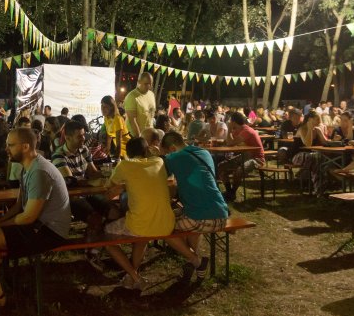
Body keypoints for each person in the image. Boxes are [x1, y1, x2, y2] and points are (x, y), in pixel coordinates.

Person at [0, 128, 70, 316]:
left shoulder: (39, 172)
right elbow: (18, 207)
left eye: (10, 145)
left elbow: (28, 216)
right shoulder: (27, 167)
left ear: (26, 146)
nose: (6, 148)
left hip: (50, 231)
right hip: (37, 224)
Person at [101, 137, 175, 290]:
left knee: (105, 238)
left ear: (127, 152)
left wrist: (123, 186)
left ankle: (135, 276)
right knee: (142, 238)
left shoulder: (125, 165)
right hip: (166, 222)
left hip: (142, 224)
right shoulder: (158, 162)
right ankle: (131, 275)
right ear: (146, 149)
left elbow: (108, 187)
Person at [161, 132, 229, 280]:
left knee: (160, 228)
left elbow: (157, 176)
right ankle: (195, 262)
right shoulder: (203, 152)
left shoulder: (174, 157)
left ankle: (195, 260)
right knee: (180, 213)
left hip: (203, 217)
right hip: (221, 212)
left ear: (172, 148)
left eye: (166, 152)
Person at [51, 120, 115, 233]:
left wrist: (112, 172)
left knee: (113, 212)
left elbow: (93, 173)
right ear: (68, 138)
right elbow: (71, 183)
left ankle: (96, 239)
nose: (83, 138)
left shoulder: (84, 149)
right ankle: (93, 242)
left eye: (84, 135)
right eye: (79, 136)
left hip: (85, 193)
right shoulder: (59, 156)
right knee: (95, 218)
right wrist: (91, 182)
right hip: (69, 197)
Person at [218, 112, 265, 201]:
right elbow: (229, 143)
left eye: (230, 121)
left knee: (239, 171)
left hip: (257, 158)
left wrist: (228, 129)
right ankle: (229, 192)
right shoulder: (237, 130)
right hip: (245, 155)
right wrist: (230, 131)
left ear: (234, 122)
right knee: (221, 167)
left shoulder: (246, 130)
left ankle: (232, 193)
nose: (229, 122)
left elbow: (230, 143)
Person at [124, 72, 156, 138]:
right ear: (139, 82)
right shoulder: (132, 96)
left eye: (150, 84)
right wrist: (139, 137)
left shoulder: (151, 94)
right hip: (133, 135)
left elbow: (151, 114)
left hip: (147, 135)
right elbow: (132, 120)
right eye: (146, 84)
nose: (149, 86)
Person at [101, 95, 128, 160]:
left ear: (112, 107)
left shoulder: (117, 119)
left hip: (126, 146)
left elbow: (119, 141)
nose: (102, 109)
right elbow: (109, 135)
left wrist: (117, 157)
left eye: (105, 107)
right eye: (102, 106)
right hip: (118, 146)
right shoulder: (106, 118)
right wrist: (108, 148)